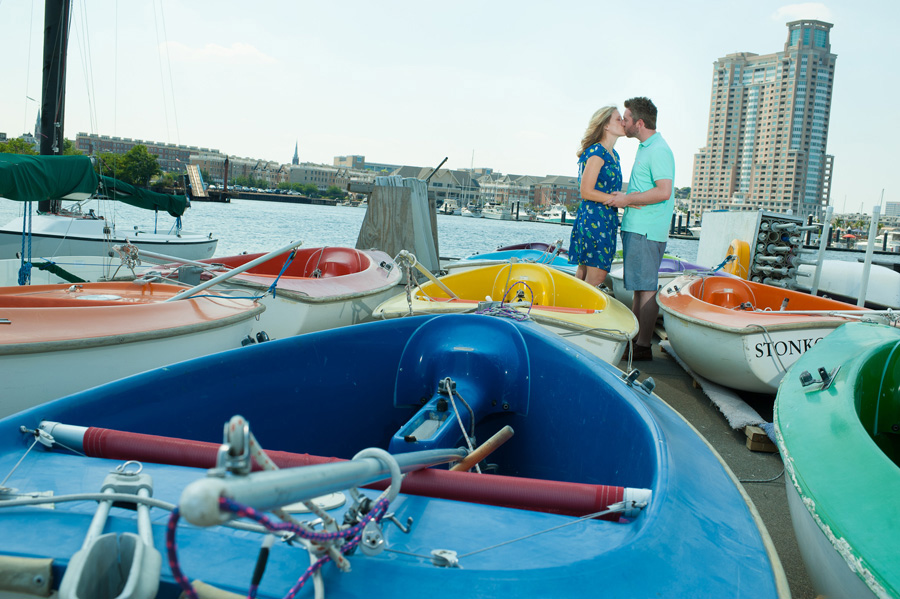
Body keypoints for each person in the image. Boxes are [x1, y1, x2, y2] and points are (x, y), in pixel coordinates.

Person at [610, 97, 675, 361]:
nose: (622, 122)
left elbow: (663, 191)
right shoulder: (646, 146)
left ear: (639, 122)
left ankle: (643, 346)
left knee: (646, 289)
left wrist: (627, 199)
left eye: (626, 118)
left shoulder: (658, 149)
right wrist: (627, 196)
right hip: (640, 229)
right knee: (640, 288)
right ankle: (636, 341)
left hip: (646, 230)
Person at [568, 106, 626, 287]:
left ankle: (572, 312)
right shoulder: (597, 152)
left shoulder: (613, 155)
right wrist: (618, 200)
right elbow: (586, 191)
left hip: (605, 218)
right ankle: (579, 313)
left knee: (584, 274)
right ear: (606, 126)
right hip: (595, 218)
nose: (623, 122)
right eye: (618, 119)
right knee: (597, 276)